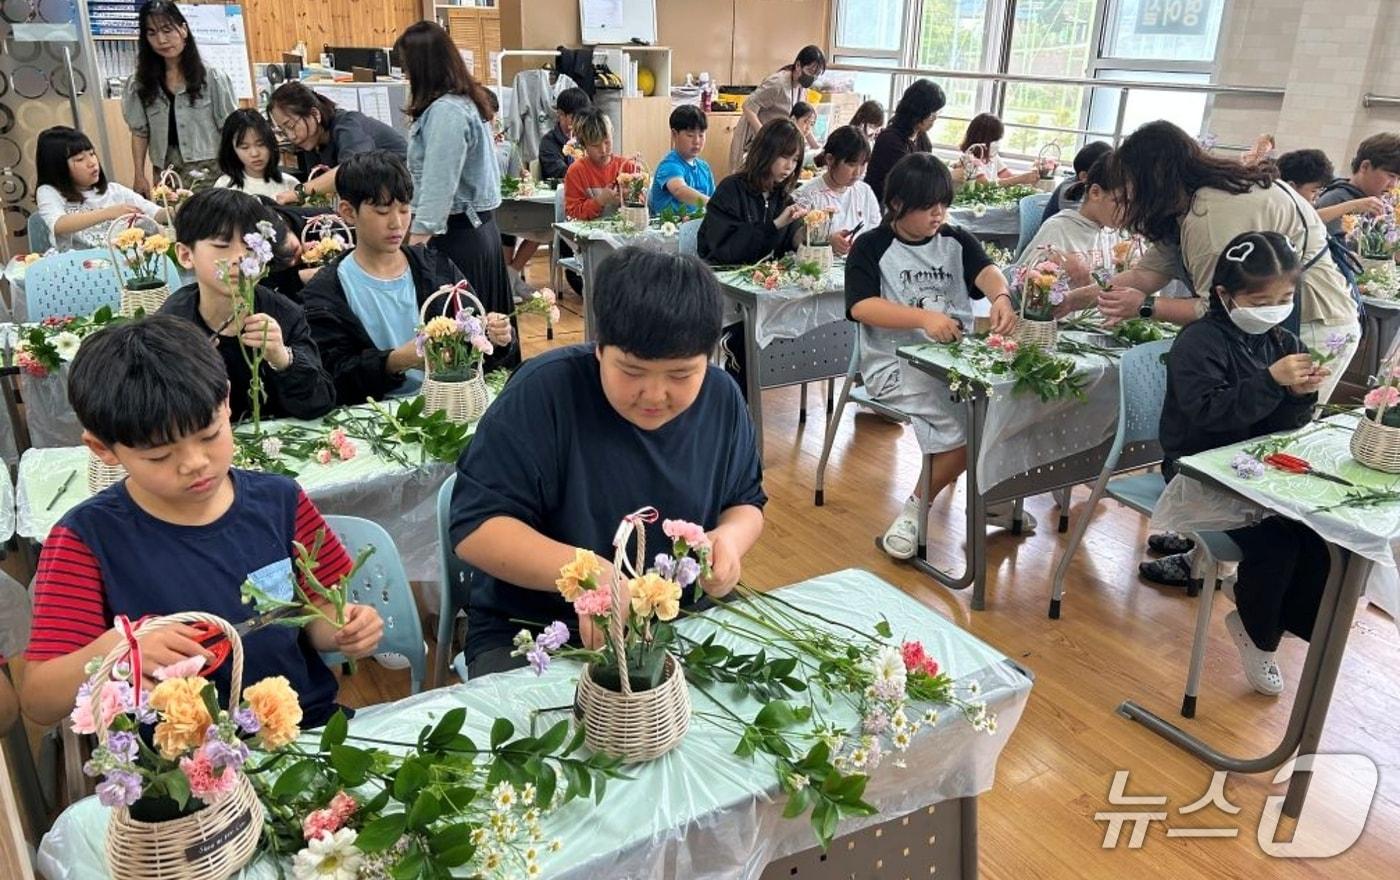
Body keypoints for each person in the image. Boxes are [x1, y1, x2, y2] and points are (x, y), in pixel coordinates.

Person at [19, 315, 384, 728]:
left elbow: (316, 609)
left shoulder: (280, 500)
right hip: (179, 763)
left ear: (227, 402)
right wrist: (117, 649)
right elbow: (39, 700)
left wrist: (342, 628)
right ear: (102, 449)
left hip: (300, 727)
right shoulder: (85, 540)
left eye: (210, 434)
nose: (194, 464)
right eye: (159, 456)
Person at [449, 248, 765, 677]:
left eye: (680, 375)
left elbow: (745, 502)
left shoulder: (722, 398)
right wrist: (589, 575)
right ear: (599, 348)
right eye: (632, 372)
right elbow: (476, 530)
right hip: (539, 631)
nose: (655, 395)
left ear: (708, 357)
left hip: (677, 619)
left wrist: (729, 539)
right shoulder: (544, 393)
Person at [1062, 121, 1359, 402]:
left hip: (1311, 323)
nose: (1129, 194)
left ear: (1153, 179)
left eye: (1131, 183)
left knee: (1276, 434)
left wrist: (1146, 307)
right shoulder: (1188, 204)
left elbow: (1215, 308)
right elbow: (1145, 275)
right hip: (1271, 324)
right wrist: (1069, 301)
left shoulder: (1211, 216)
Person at [1158, 231, 1328, 695]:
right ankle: (1259, 634)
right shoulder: (1199, 342)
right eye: (1260, 299)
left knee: (1320, 534)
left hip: (1255, 466)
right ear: (1224, 295)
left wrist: (1298, 396)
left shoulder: (1282, 338)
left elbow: (1284, 428)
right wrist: (1272, 383)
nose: (1274, 307)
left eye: (1285, 298)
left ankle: (1279, 618)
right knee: (1276, 545)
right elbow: (1207, 417)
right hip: (1197, 466)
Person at [845, 153, 1021, 559]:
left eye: (943, 203)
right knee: (972, 427)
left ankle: (988, 491)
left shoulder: (955, 240)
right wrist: (923, 317)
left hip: (956, 365)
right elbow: (861, 307)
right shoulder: (872, 247)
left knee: (1002, 410)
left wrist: (1001, 297)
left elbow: (987, 271)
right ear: (897, 205)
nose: (937, 213)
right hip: (895, 366)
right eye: (927, 206)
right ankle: (914, 510)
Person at [302, 151, 515, 405]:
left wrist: (494, 337)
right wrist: (395, 361)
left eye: (404, 210)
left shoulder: (436, 269)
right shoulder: (327, 292)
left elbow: (474, 349)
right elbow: (332, 378)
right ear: (348, 212)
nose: (396, 223)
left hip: (448, 403)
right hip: (372, 416)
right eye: (382, 212)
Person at [394, 21, 518, 355]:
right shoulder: (460, 103)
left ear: (423, 67)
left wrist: (414, 248)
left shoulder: (447, 111)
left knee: (464, 344)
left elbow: (438, 186)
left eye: (407, 68)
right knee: (477, 338)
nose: (406, 76)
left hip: (458, 237)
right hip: (473, 232)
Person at [161, 188, 337, 422]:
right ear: (185, 255)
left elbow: (320, 404)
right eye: (222, 246)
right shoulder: (172, 325)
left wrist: (283, 359)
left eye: (251, 247)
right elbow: (157, 414)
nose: (240, 259)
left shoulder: (284, 314)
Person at [122, 1, 237, 193]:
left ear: (183, 30)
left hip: (211, 168)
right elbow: (139, 132)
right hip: (166, 170)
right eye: (152, 33)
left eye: (167, 30)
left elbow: (230, 128)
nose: (161, 40)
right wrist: (139, 175)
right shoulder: (140, 83)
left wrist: (237, 170)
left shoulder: (212, 77)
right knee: (173, 218)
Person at [268, 82, 407, 206]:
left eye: (291, 126)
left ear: (315, 114)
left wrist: (299, 193)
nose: (291, 136)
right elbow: (319, 189)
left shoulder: (348, 125)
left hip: (405, 194)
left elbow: (351, 173)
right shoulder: (311, 142)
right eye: (283, 131)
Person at [35, 126, 168, 251]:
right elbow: (59, 225)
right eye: (80, 159)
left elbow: (156, 213)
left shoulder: (115, 191)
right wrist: (108, 213)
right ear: (58, 168)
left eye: (92, 154)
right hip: (76, 268)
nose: (92, 163)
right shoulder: (49, 192)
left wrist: (179, 207)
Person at [698, 118, 806, 265]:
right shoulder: (730, 190)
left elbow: (790, 242)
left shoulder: (782, 196)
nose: (789, 166)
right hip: (725, 279)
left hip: (765, 282)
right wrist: (775, 225)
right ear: (766, 152)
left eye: (795, 160)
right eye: (784, 156)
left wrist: (809, 232)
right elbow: (724, 249)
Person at [1015, 152, 1121, 272]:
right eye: (1121, 202)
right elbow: (1024, 283)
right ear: (1095, 193)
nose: (1128, 212)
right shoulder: (1059, 230)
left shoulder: (1111, 233)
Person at [728, 45, 826, 173]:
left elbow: (802, 120)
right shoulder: (777, 83)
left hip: (776, 143)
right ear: (798, 66)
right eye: (810, 71)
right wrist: (764, 136)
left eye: (817, 74)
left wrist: (817, 147)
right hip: (756, 140)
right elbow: (748, 106)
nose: (813, 77)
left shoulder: (802, 87)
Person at [796, 125, 882, 257]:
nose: (858, 172)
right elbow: (794, 241)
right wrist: (827, 241)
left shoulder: (864, 192)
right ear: (830, 159)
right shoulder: (807, 195)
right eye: (851, 164)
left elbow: (875, 233)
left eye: (863, 164)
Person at [866, 79, 944, 204]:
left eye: (937, 113)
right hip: (885, 206)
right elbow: (911, 183)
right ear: (918, 111)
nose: (934, 119)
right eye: (932, 113)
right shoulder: (890, 140)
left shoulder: (922, 137)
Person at [1311, 133, 1400, 233]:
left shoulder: (1383, 207)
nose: (1393, 185)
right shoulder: (1335, 199)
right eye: (1391, 176)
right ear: (1365, 166)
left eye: (1398, 179)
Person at [562, 107, 640, 220]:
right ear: (584, 145)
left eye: (607, 142)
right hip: (588, 235)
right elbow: (572, 214)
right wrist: (600, 201)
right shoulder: (576, 171)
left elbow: (643, 205)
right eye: (595, 145)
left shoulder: (627, 166)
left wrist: (630, 197)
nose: (603, 150)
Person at [213, 109, 296, 199]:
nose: (255, 153)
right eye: (245, 147)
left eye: (261, 144)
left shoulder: (289, 183)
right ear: (232, 150)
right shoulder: (224, 187)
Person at [649, 105, 715, 217]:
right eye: (690, 135)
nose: (697, 141)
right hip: (669, 229)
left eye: (701, 135)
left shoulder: (704, 167)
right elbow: (679, 190)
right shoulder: (669, 165)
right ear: (675, 134)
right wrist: (711, 203)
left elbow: (714, 197)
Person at [957, 113, 1045, 187]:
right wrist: (1020, 179)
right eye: (995, 140)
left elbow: (1007, 176)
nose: (997, 143)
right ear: (981, 139)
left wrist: (1028, 177)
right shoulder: (968, 159)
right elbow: (985, 185)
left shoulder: (993, 157)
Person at [1042, 141, 1112, 223]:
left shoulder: (1093, 188)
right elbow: (1087, 221)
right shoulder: (1069, 190)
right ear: (1084, 176)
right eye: (1107, 171)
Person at [538, 87, 591, 182]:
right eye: (577, 117)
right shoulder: (548, 142)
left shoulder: (587, 137)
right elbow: (562, 172)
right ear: (560, 114)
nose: (581, 122)